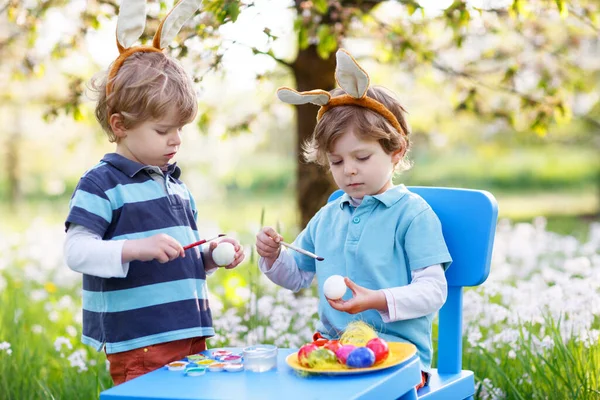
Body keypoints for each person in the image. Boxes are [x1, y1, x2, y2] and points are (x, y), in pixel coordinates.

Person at [63, 1, 244, 385]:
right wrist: (135, 248)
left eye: (180, 128)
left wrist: (211, 254)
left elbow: (180, 259)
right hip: (140, 341)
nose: (176, 140)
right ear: (120, 125)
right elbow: (76, 252)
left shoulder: (176, 185)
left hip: (190, 333)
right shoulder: (101, 183)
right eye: (163, 131)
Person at [255, 49, 452, 389]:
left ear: (396, 151)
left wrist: (378, 299)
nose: (349, 170)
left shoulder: (412, 215)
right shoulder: (328, 215)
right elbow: (297, 277)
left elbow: (433, 292)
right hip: (333, 353)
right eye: (336, 161)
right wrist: (273, 257)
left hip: (400, 358)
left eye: (362, 156)